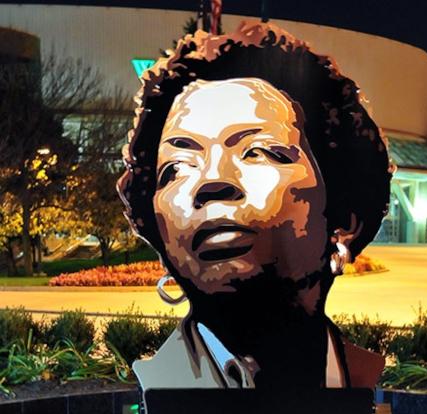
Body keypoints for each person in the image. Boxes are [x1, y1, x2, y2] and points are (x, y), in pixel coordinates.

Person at [117, 21, 391, 390]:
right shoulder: (163, 385)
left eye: (257, 152)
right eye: (178, 168)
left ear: (345, 216)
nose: (212, 182)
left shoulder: (356, 379)